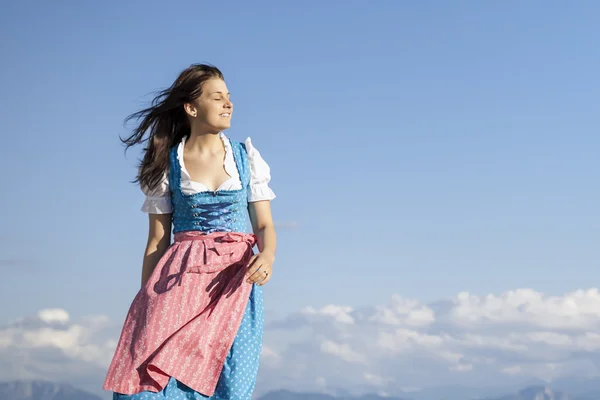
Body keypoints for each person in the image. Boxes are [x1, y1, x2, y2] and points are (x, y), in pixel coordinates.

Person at [103, 64, 277, 400]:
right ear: (192, 108)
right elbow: (157, 240)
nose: (229, 103)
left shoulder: (246, 157)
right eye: (217, 97)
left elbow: (265, 224)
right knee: (153, 379)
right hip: (178, 282)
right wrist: (145, 303)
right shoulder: (166, 163)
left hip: (234, 282)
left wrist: (267, 256)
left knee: (229, 376)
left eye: (229, 97)